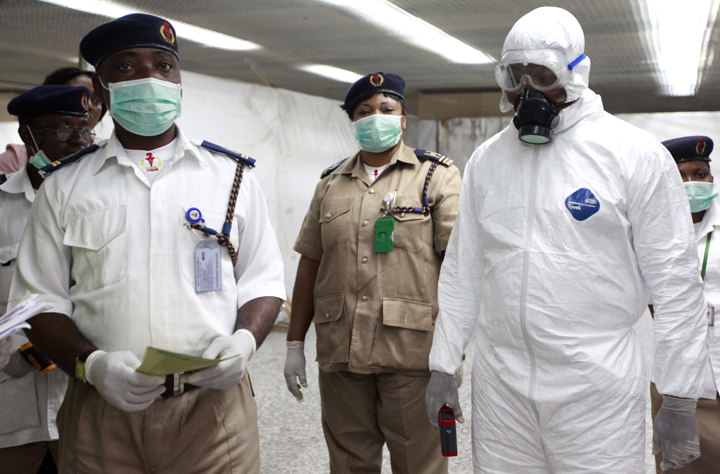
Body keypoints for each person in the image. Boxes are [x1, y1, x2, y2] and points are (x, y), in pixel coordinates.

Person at [425, 7, 715, 473]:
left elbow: (676, 286)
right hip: (502, 386)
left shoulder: (633, 155)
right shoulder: (487, 160)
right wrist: (444, 362)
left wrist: (679, 397)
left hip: (595, 388)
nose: (526, 92)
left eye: (543, 76)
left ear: (578, 73)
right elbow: (463, 269)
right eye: (515, 77)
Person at [8, 13, 285, 474]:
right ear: (100, 90)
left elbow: (264, 279)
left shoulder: (230, 176)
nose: (149, 78)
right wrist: (92, 365)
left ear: (178, 82)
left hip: (213, 411)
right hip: (102, 413)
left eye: (162, 66)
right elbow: (38, 301)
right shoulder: (65, 187)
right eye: (126, 67)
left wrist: (244, 343)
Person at [284, 72, 462, 474]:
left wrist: (454, 350)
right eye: (364, 111)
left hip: (411, 355)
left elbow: (458, 265)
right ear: (352, 121)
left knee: (419, 463)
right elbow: (311, 261)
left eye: (386, 109)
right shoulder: (331, 184)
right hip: (341, 351)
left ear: (403, 118)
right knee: (349, 462)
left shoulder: (435, 176)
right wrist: (295, 342)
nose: (375, 117)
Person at [0, 84, 93, 474]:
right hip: (14, 396)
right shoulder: (2, 206)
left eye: (83, 129)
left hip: (86, 393)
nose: (77, 140)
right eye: (61, 129)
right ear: (28, 134)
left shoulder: (102, 203)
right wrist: (14, 353)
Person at [649, 136, 720, 473]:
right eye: (680, 176)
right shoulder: (647, 233)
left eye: (700, 173)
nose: (692, 184)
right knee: (683, 466)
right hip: (676, 380)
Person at [0, 67, 104, 175]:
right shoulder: (15, 159)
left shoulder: (104, 153)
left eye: (96, 100)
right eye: (64, 129)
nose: (89, 106)